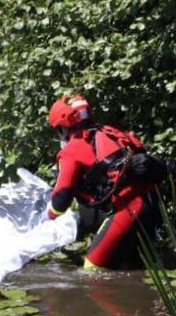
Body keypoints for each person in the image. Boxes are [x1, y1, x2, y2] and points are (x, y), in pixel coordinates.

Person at [46, 95, 160, 270]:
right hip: (153, 204)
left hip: (130, 209)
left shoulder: (71, 150)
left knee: (93, 268)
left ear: (64, 127)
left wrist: (48, 217)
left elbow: (61, 200)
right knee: (132, 266)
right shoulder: (111, 132)